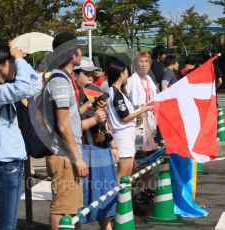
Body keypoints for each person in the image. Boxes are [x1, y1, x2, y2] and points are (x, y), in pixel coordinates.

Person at [0, 42, 41, 230]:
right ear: (0, 65)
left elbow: (34, 85)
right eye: (11, 62)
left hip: (12, 162)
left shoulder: (0, 89)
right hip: (4, 164)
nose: (14, 66)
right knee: (5, 226)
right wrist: (19, 60)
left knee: (8, 225)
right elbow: (23, 89)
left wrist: (20, 60)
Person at [43, 32, 89, 230]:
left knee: (70, 209)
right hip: (64, 156)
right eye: (78, 47)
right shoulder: (60, 80)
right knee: (62, 210)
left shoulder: (63, 78)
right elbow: (63, 125)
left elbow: (68, 117)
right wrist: (77, 158)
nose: (81, 51)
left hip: (66, 153)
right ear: (71, 53)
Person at [73, 57, 118, 230]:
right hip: (83, 151)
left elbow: (105, 123)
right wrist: (94, 118)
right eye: (86, 73)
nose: (91, 76)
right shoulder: (72, 95)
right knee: (80, 199)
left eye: (93, 73)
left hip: (101, 149)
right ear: (75, 74)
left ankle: (107, 227)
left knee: (105, 196)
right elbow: (71, 127)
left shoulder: (94, 92)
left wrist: (113, 146)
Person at [107, 60, 153, 182]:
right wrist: (144, 109)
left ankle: (124, 199)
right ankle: (117, 200)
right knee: (122, 175)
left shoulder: (118, 92)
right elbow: (125, 116)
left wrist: (137, 116)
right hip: (122, 136)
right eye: (126, 72)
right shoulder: (115, 93)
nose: (127, 75)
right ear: (121, 73)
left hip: (127, 135)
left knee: (127, 174)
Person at [126, 51, 158, 204]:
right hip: (137, 125)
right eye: (141, 61)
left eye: (146, 61)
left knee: (150, 158)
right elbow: (126, 101)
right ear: (135, 64)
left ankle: (144, 188)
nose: (144, 64)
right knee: (139, 159)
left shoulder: (150, 80)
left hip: (150, 124)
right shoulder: (132, 81)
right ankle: (136, 189)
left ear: (150, 64)